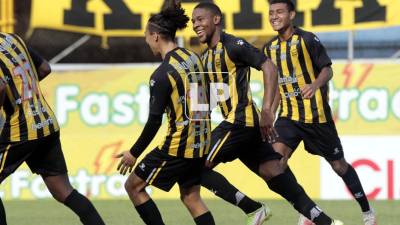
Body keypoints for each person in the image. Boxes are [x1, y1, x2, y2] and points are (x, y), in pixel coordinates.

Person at [192, 2, 343, 225]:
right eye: (193, 21)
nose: (196, 25)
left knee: (193, 165)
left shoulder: (234, 45)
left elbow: (269, 67)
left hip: (240, 121)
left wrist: (267, 110)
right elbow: (211, 97)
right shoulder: (206, 57)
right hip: (242, 125)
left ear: (216, 20)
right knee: (272, 171)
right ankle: (326, 222)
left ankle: (253, 209)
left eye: (200, 19)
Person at [262, 1, 376, 225]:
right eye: (271, 13)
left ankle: (367, 211)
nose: (274, 16)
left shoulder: (307, 40)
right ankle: (309, 212)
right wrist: (270, 115)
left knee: (339, 165)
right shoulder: (269, 49)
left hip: (317, 118)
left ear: (292, 14)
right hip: (288, 117)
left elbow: (328, 69)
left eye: (279, 12)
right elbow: (276, 87)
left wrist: (314, 85)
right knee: (275, 165)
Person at [116, 1, 215, 225]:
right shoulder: (193, 58)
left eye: (146, 36)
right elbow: (204, 102)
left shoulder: (161, 74)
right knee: (191, 197)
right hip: (199, 143)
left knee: (133, 186)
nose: (146, 40)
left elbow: (154, 122)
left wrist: (134, 153)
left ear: (156, 37)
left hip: (177, 146)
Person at [0, 33, 105, 224]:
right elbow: (45, 68)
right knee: (64, 191)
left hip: (20, 129)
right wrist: (25, 92)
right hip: (46, 123)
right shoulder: (13, 39)